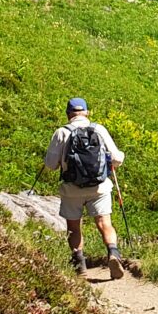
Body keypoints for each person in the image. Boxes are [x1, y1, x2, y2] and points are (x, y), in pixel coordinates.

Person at [43, 98, 126, 278]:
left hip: (72, 189)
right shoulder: (99, 129)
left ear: (68, 114)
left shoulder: (61, 132)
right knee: (104, 223)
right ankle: (113, 253)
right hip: (99, 187)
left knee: (74, 226)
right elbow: (117, 159)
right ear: (87, 112)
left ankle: (79, 264)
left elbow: (50, 165)